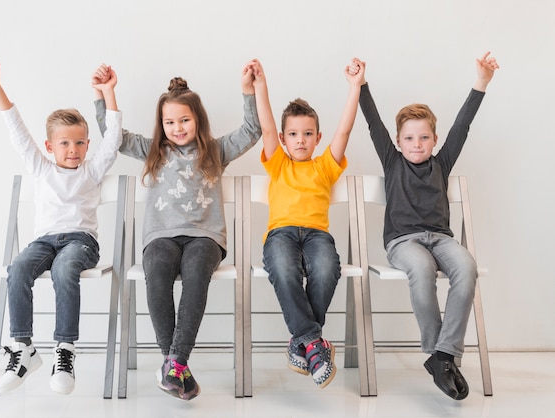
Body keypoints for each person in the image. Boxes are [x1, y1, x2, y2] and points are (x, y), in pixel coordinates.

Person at [92, 62, 262, 401]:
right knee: (156, 274)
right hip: (160, 237)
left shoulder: (215, 150)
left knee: (198, 273)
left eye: (184, 120)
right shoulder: (153, 150)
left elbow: (252, 130)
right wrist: (106, 94)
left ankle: (176, 361)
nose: (177, 127)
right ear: (161, 124)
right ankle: (175, 367)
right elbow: (113, 137)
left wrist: (248, 90)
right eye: (169, 122)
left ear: (197, 118)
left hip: (205, 237)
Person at [356, 52, 499, 400]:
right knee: (421, 269)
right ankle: (440, 354)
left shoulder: (442, 162)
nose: (416, 145)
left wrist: (481, 82)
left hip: (440, 239)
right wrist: (361, 85)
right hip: (404, 242)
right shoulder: (392, 162)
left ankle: (444, 355)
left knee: (466, 267)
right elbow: (373, 122)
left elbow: (462, 125)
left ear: (434, 140)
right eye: (408, 138)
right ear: (399, 141)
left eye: (423, 138)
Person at [0, 61, 122, 395]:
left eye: (81, 143)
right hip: (43, 242)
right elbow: (17, 131)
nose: (74, 150)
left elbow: (113, 140)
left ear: (87, 144)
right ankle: (23, 348)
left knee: (64, 270)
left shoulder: (92, 170)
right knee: (18, 269)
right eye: (65, 144)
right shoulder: (40, 168)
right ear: (49, 146)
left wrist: (109, 93)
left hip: (80, 242)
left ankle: (65, 349)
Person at [245, 58, 364, 388]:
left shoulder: (326, 166)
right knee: (283, 269)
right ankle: (314, 342)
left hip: (317, 236)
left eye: (308, 134)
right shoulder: (278, 163)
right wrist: (261, 86)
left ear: (317, 137)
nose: (300, 140)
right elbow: (267, 127)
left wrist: (355, 87)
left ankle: (303, 342)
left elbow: (345, 130)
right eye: (294, 134)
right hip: (281, 234)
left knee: (327, 269)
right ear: (284, 138)